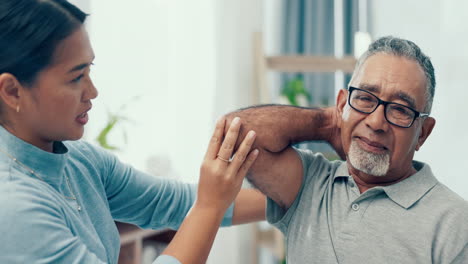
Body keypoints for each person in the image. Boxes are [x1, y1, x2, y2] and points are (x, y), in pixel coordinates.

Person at [0, 1, 265, 264]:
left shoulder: (81, 161)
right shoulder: (12, 207)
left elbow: (169, 201)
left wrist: (293, 197)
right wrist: (210, 206)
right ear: (12, 92)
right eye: (76, 78)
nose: (92, 92)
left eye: (89, 70)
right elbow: (205, 202)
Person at [224, 36, 468, 263]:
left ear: (422, 132)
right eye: (364, 98)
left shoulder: (454, 221)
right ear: (342, 104)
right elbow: (237, 133)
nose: (376, 122)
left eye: (400, 110)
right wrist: (328, 122)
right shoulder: (310, 183)